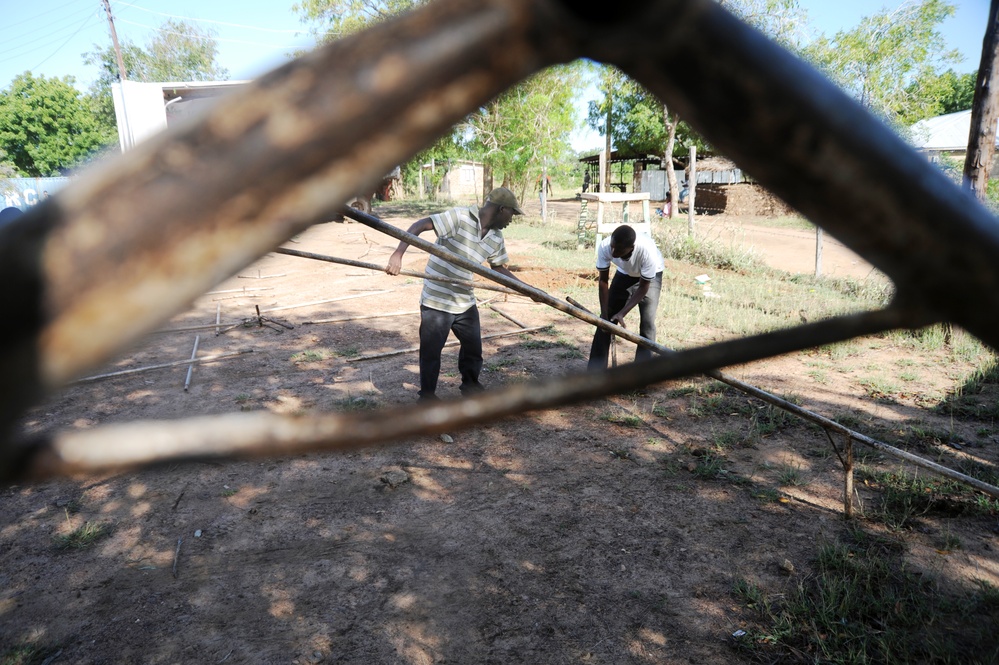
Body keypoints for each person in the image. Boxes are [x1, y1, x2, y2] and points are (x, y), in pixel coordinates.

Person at [387, 187, 533, 401]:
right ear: (502, 209)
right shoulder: (460, 217)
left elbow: (499, 268)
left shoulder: (496, 237)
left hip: (464, 301)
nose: (512, 219)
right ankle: (427, 396)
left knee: (473, 349)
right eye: (512, 213)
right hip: (437, 300)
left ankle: (471, 385)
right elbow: (419, 225)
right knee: (431, 353)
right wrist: (398, 254)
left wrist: (528, 290)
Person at [587, 224, 665, 371]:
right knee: (604, 323)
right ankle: (595, 373)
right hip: (624, 273)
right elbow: (603, 281)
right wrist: (604, 315)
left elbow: (643, 287)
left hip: (650, 279)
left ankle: (641, 376)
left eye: (619, 249)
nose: (614, 251)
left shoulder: (647, 251)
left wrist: (622, 313)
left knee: (647, 325)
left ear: (631, 247)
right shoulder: (605, 246)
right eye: (613, 246)